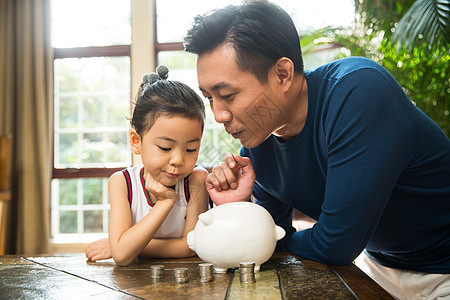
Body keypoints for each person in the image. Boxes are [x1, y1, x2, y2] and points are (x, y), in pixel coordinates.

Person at [184, 1, 450, 299]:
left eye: (228, 95)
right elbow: (269, 240)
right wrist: (239, 206)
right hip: (374, 268)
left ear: (282, 74)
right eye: (209, 98)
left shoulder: (358, 92)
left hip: (442, 270)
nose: (218, 114)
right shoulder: (258, 142)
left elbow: (335, 245)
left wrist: (286, 238)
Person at [86, 65, 209, 266]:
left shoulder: (196, 180)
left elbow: (191, 247)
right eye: (165, 147)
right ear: (136, 141)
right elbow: (123, 256)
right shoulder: (122, 183)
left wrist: (125, 244)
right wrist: (164, 202)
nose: (178, 160)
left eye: (190, 149)